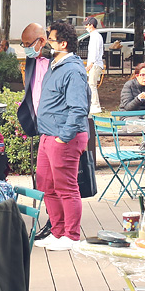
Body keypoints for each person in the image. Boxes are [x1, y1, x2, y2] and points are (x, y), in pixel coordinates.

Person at [35, 21, 90, 252]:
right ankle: (57, 232)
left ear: (63, 44)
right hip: (48, 135)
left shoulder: (73, 71)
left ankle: (71, 235)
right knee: (46, 185)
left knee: (66, 187)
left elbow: (79, 108)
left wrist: (63, 137)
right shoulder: (55, 65)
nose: (47, 41)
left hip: (63, 137)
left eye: (51, 39)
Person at [83, 16, 104, 115]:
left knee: (92, 84)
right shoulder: (95, 35)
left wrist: (90, 64)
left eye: (87, 25)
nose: (85, 27)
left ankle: (95, 105)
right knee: (91, 84)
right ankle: (93, 104)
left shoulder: (95, 36)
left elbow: (95, 52)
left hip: (95, 64)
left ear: (91, 25)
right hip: (95, 63)